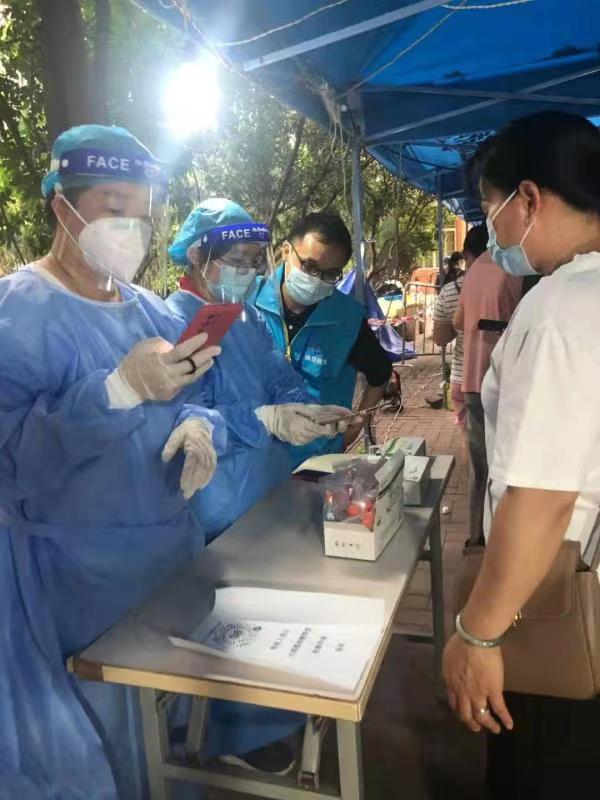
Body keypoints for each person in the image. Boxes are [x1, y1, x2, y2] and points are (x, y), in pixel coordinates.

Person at [0, 125, 225, 800]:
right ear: (62, 206)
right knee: (103, 756)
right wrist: (115, 392)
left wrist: (198, 427)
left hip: (166, 566)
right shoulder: (17, 315)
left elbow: (193, 394)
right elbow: (12, 465)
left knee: (172, 747)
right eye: (114, 206)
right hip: (75, 583)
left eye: (144, 213)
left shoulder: (149, 309)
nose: (133, 228)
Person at [442, 111, 600, 799]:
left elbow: (541, 497)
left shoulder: (562, 308)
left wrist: (477, 635)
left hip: (559, 597)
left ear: (529, 199)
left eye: (490, 207)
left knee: (540, 768)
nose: (493, 229)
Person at [166, 198, 349, 773]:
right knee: (225, 633)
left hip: (263, 496)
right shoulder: (171, 321)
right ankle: (228, 740)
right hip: (215, 506)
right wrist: (262, 420)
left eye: (254, 260)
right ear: (199, 255)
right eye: (237, 260)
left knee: (270, 626)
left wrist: (301, 409)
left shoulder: (242, 319)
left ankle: (276, 723)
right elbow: (184, 417)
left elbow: (278, 374)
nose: (247, 271)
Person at [251, 212, 392, 467]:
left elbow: (380, 373)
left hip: (318, 463)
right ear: (286, 251)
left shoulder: (346, 319)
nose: (316, 280)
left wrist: (353, 429)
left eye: (330, 274)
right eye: (309, 267)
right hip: (255, 462)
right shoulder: (249, 305)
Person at [454, 222, 522, 547]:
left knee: (479, 466)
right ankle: (501, 538)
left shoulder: (473, 272)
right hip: (506, 379)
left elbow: (456, 321)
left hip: (472, 378)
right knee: (505, 464)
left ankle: (475, 537)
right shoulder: (516, 267)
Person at [432, 227, 487, 431]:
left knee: (470, 440)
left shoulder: (451, 290)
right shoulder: (511, 284)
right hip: (498, 376)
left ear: (465, 255)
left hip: (464, 376)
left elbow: (440, 338)